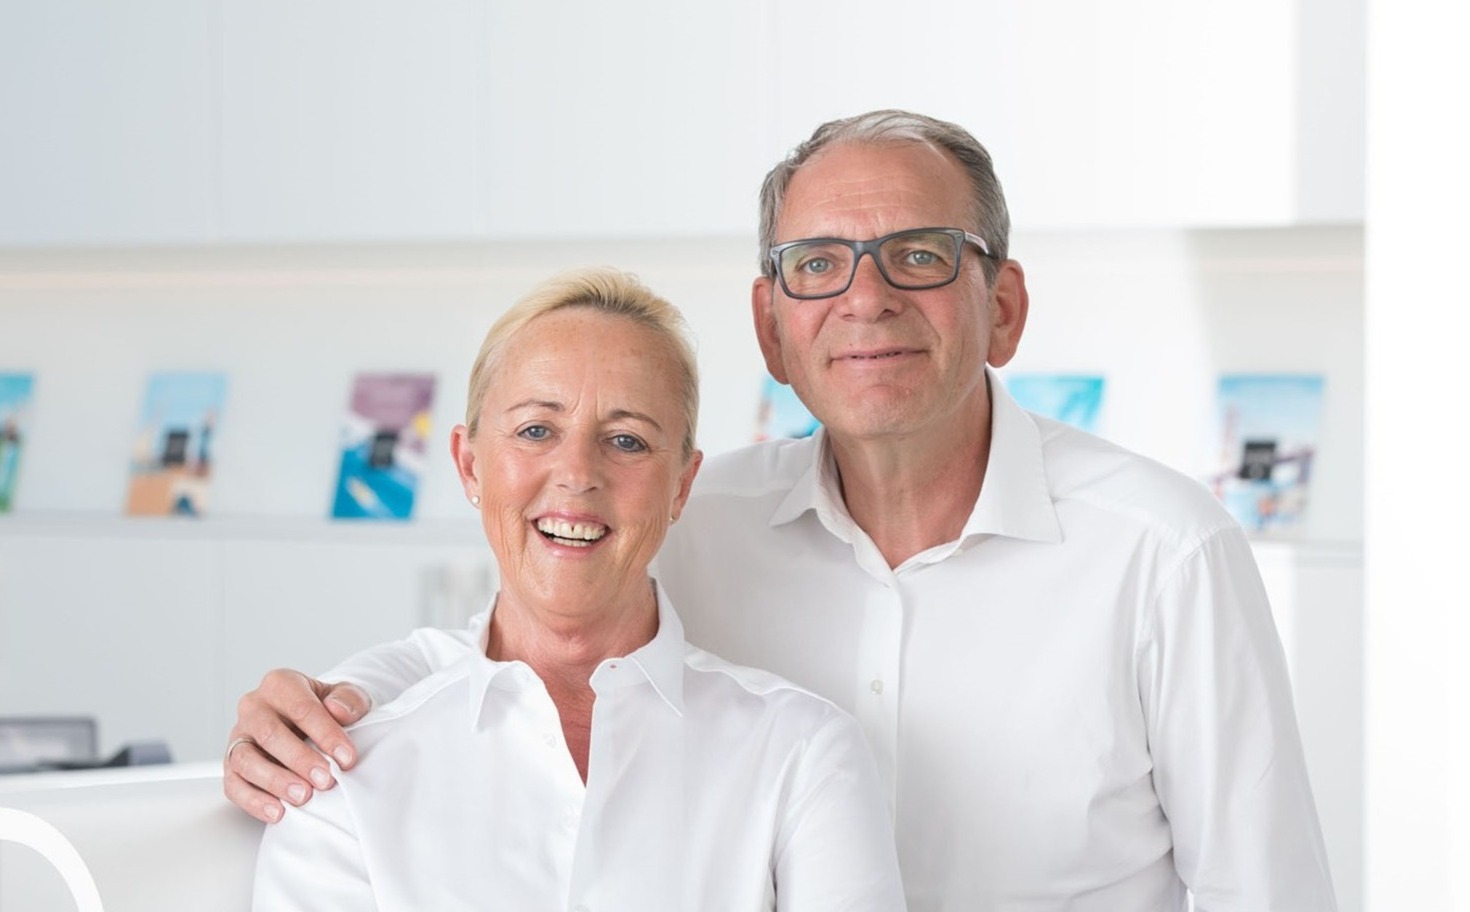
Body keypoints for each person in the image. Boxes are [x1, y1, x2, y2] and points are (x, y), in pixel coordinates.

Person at [227, 110, 1337, 911]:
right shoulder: (692, 516)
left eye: (919, 256)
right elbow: (524, 638)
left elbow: (1267, 890)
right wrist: (329, 702)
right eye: (818, 264)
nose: (866, 299)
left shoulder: (1163, 553)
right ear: (770, 329)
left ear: (1003, 307)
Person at [248, 267, 907, 910]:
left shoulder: (800, 752)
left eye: (627, 440)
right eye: (536, 431)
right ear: (469, 465)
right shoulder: (340, 777)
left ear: (681, 486)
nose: (577, 473)